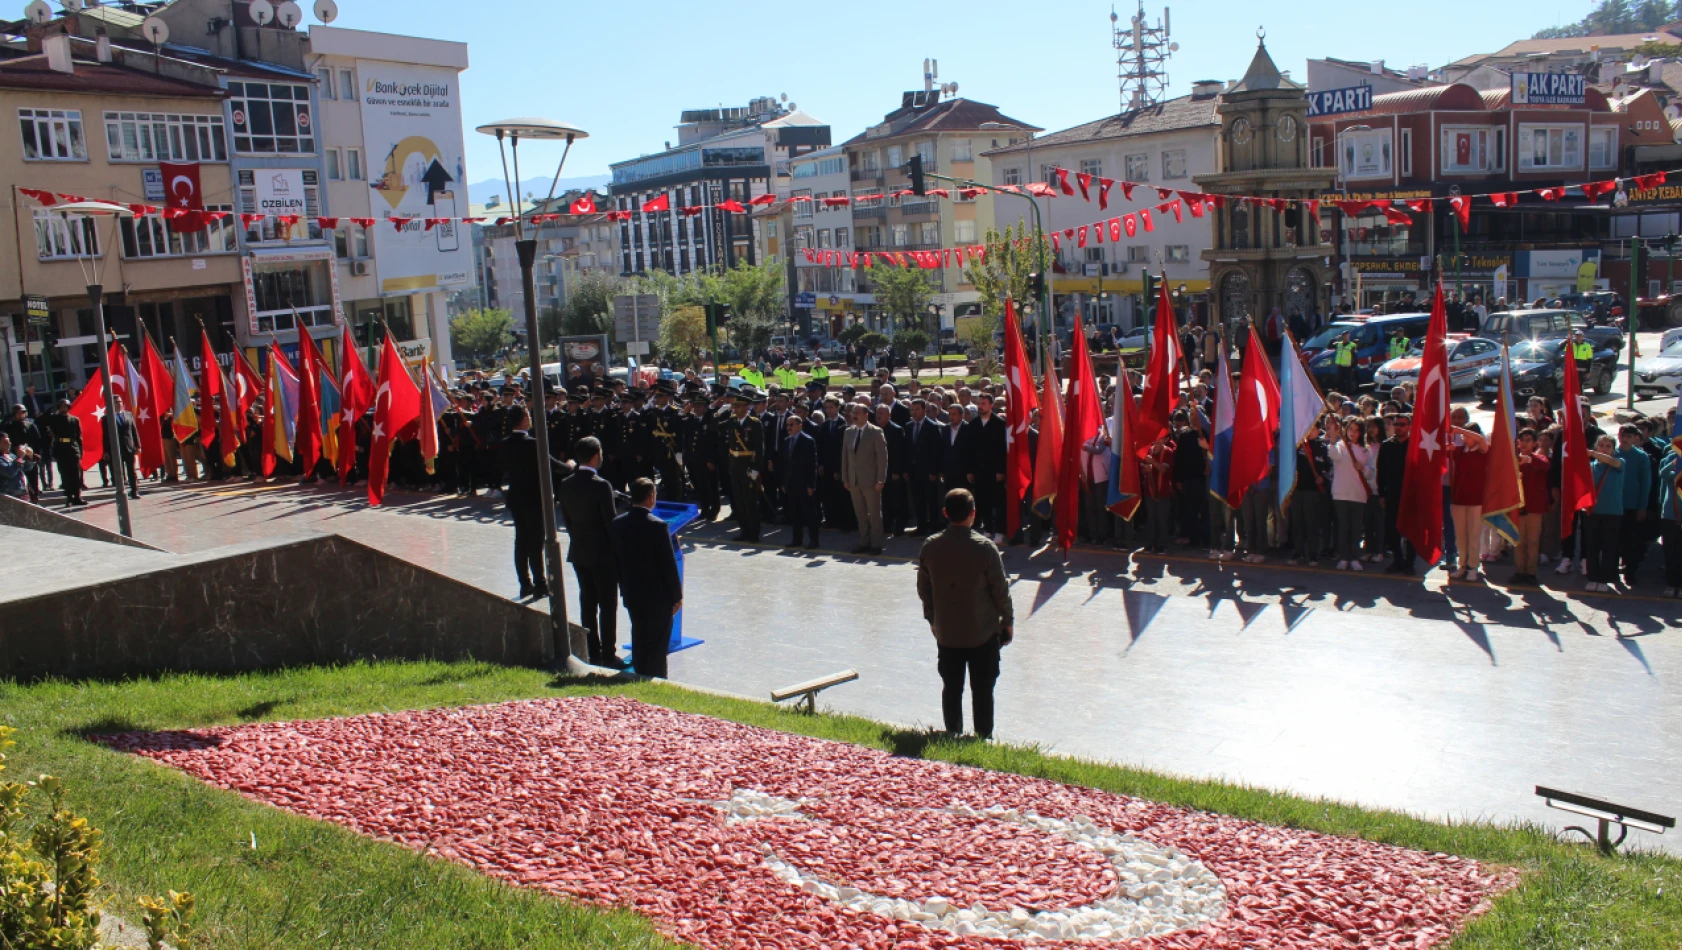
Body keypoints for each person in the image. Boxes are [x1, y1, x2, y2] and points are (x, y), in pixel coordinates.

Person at [916, 488, 1014, 740]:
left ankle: (952, 733)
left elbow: (924, 589)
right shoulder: (985, 548)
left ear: (945, 513)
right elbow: (1000, 590)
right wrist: (1008, 621)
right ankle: (983, 737)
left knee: (952, 687)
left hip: (947, 632)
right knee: (982, 690)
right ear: (973, 514)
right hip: (982, 632)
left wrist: (932, 619)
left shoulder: (931, 546)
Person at [557, 435, 623, 668]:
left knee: (587, 601)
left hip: (579, 551)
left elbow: (567, 521)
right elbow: (610, 523)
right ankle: (608, 653)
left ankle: (591, 649)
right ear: (596, 456)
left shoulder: (566, 484)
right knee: (607, 604)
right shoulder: (601, 485)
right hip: (602, 554)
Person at [499, 405, 575, 602]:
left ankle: (525, 583)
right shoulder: (532, 443)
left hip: (516, 498)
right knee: (536, 541)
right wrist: (570, 466)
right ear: (524, 419)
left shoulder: (505, 443)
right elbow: (553, 465)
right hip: (534, 499)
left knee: (521, 540)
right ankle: (540, 583)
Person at [610, 477, 682, 678]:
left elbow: (616, 561)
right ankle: (657, 679)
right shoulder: (658, 526)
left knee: (639, 637)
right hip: (658, 596)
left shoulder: (617, 524)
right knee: (658, 645)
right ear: (651, 497)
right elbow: (668, 564)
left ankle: (639, 674)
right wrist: (677, 596)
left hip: (632, 592)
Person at [1329, 417, 1376, 570]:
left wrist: (1362, 468)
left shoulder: (1365, 450)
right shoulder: (1340, 446)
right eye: (1350, 429)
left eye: (1356, 430)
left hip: (1358, 493)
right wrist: (1333, 439)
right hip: (1341, 492)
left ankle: (1354, 556)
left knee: (1356, 527)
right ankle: (1344, 556)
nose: (1353, 433)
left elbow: (1370, 474)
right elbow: (1334, 456)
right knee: (1343, 526)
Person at [841, 401, 888, 555]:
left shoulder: (876, 432)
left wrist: (881, 479)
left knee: (874, 513)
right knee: (860, 513)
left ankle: (876, 544)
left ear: (866, 415)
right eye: (852, 412)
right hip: (854, 481)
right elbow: (845, 457)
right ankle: (863, 542)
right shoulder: (848, 432)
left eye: (857, 413)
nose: (853, 415)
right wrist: (845, 477)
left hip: (871, 480)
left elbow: (882, 458)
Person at [1584, 434, 1624, 593]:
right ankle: (1592, 577)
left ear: (1614, 449)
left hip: (1613, 512)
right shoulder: (1590, 466)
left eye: (1608, 446)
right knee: (1592, 546)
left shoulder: (1619, 463)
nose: (1604, 449)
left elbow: (1613, 462)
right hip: (1593, 512)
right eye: (1601, 445)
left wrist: (1592, 453)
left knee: (1609, 546)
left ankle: (1605, 578)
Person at [1512, 428, 1551, 586]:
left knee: (1533, 541)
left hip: (1534, 507)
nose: (1524, 443)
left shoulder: (1539, 457)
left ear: (1535, 443)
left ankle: (1531, 572)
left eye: (1528, 440)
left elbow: (1544, 466)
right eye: (1522, 439)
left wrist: (1527, 459)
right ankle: (1520, 570)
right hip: (1518, 506)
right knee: (1518, 541)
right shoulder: (1513, 459)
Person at [780, 413, 820, 549]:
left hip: (804, 484)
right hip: (791, 484)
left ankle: (814, 540)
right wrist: (784, 483)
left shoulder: (808, 441)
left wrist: (811, 485)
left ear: (800, 425)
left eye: (791, 425)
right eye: (787, 425)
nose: (789, 428)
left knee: (809, 514)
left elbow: (812, 465)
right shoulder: (786, 441)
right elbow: (785, 464)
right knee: (794, 513)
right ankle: (796, 539)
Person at [45, 398, 85, 507]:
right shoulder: (55, 419)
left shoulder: (74, 420)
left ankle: (77, 496)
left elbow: (79, 436)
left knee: (76, 475)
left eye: (66, 406)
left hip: (72, 448)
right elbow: (44, 422)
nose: (64, 408)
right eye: (62, 406)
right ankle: (69, 497)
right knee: (65, 475)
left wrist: (80, 451)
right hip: (61, 448)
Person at [0, 433, 37, 500]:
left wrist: (30, 456)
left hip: (22, 493)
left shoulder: (11, 456)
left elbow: (27, 467)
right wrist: (19, 458)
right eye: (5, 442)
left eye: (9, 441)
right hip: (9, 496)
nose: (9, 444)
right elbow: (10, 472)